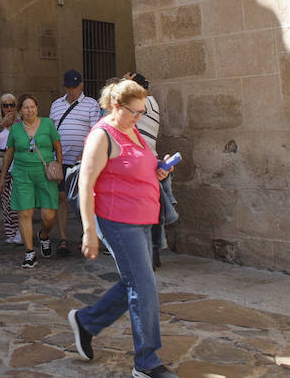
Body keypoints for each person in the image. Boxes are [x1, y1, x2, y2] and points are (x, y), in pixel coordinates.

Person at [67, 79, 179, 378]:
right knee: (144, 287)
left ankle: (87, 322)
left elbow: (139, 165)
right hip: (118, 221)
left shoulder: (133, 130)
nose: (139, 117)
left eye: (142, 111)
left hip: (144, 219)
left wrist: (159, 168)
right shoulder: (102, 135)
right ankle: (147, 362)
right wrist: (89, 231)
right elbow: (86, 184)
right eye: (134, 111)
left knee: (136, 282)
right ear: (116, 106)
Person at [0, 93, 62, 268]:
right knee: (24, 213)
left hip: (45, 174)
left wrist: (58, 167)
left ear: (37, 108)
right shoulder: (16, 129)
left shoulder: (47, 124)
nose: (29, 110)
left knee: (49, 215)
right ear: (20, 111)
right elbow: (9, 152)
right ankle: (29, 253)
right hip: (22, 174)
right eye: (25, 107)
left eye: (32, 106)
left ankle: (44, 235)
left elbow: (57, 146)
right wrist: (3, 177)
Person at [50, 69, 103, 256]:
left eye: (75, 86)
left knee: (85, 198)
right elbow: (51, 131)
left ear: (82, 85)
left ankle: (86, 235)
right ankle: (63, 239)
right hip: (61, 160)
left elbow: (96, 130)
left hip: (82, 161)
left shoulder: (91, 105)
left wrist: (85, 152)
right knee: (62, 197)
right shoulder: (56, 105)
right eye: (69, 87)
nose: (72, 90)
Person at [126, 71, 165, 269]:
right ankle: (150, 253)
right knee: (149, 210)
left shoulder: (148, 102)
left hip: (146, 165)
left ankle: (151, 253)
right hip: (143, 164)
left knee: (148, 212)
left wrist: (124, 83)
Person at [0, 92, 21, 244]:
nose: (9, 108)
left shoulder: (21, 121)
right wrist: (2, 125)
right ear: (1, 107)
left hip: (18, 163)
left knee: (15, 199)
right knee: (5, 200)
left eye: (12, 105)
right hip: (0, 164)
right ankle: (10, 231)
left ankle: (20, 230)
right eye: (5, 105)